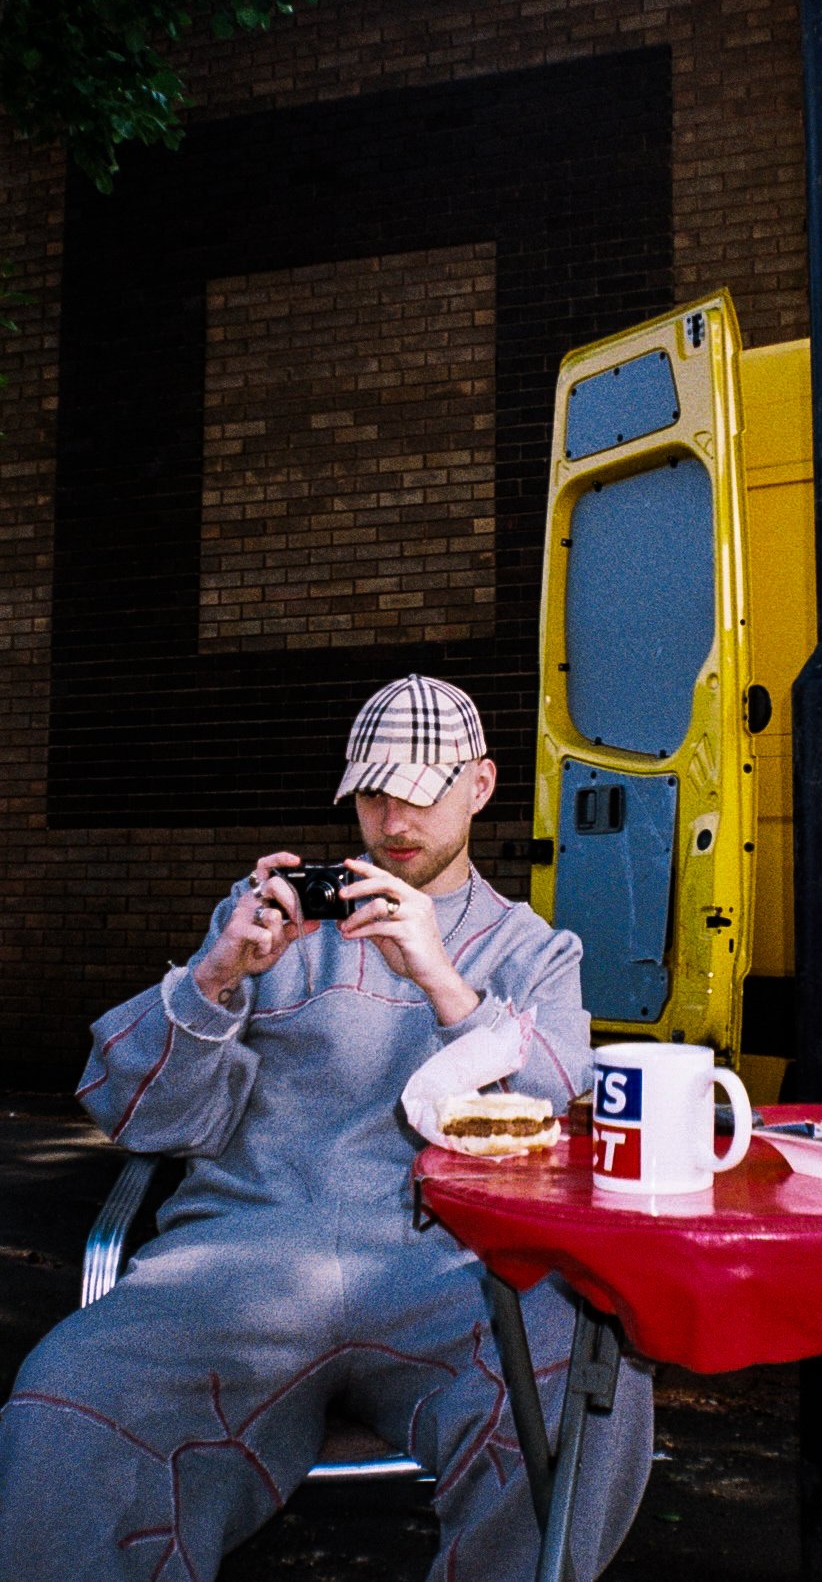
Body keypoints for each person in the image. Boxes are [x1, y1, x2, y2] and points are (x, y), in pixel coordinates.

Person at [0, 675, 653, 1582]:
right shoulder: (273, 922)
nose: (392, 821)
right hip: (240, 1263)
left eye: (420, 794)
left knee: (596, 1380)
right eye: (373, 793)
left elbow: (555, 1118)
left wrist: (448, 988)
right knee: (60, 1407)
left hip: (455, 1274)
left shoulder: (532, 952)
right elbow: (136, 1114)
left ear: (482, 785)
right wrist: (217, 976)